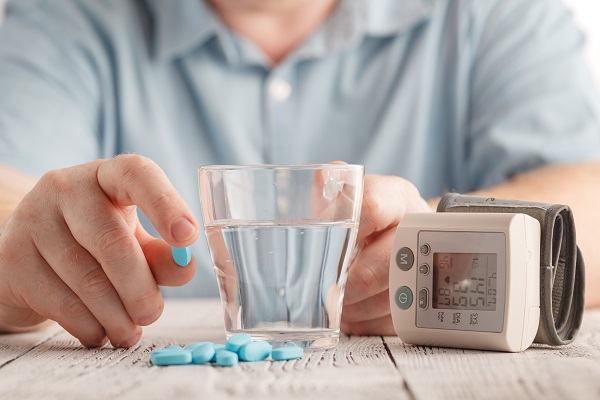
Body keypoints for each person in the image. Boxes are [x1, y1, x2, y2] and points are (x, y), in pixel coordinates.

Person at [0, 0, 599, 348]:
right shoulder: (61, 17)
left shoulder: (499, 13)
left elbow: (590, 201)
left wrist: (441, 238)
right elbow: (9, 196)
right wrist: (25, 250)